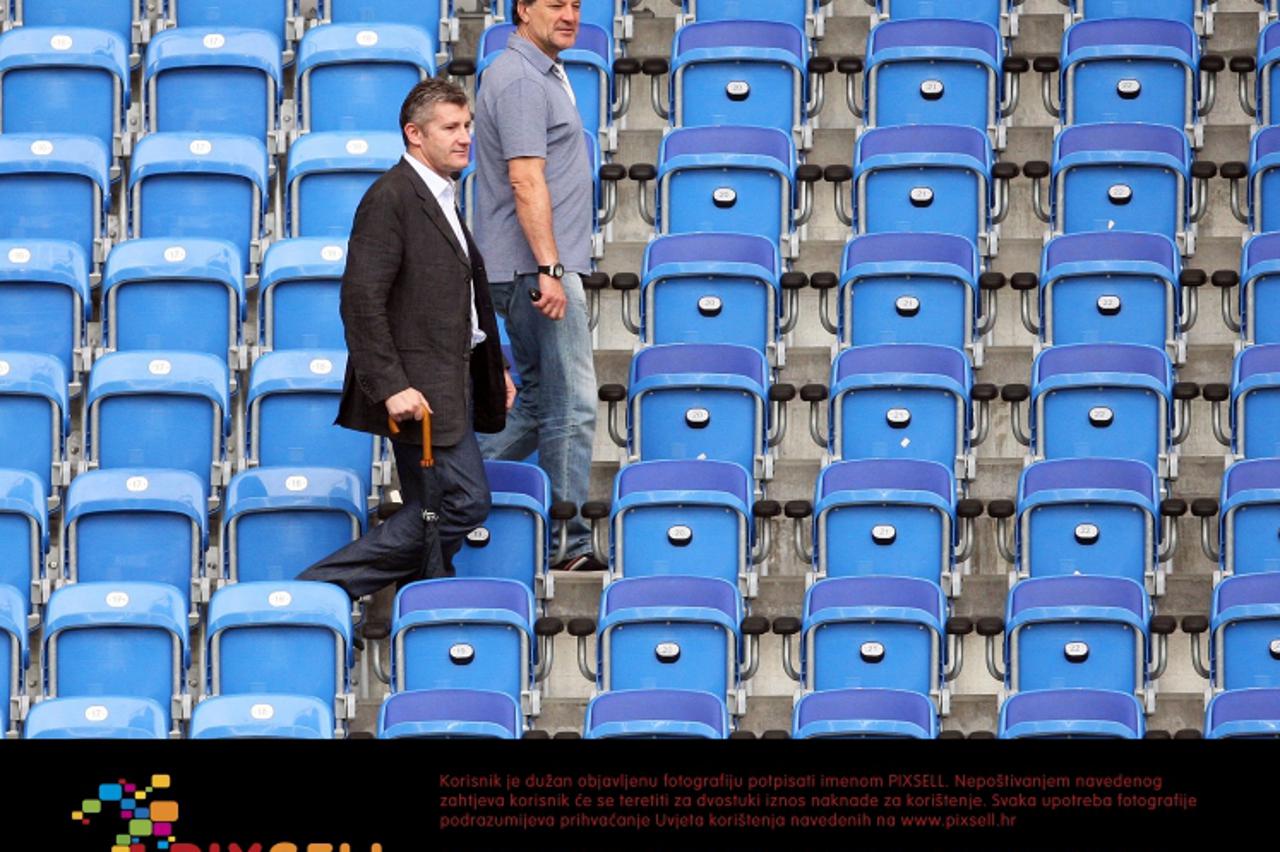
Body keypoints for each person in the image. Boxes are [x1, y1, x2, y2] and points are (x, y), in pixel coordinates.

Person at [298, 78, 516, 599]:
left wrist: (493, 365)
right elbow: (361, 300)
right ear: (414, 134)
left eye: (467, 126)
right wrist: (391, 384)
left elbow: (454, 295)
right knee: (463, 502)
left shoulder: (441, 194)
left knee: (434, 507)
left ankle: (425, 604)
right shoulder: (391, 197)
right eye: (451, 127)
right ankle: (320, 589)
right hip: (419, 390)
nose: (465, 137)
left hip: (450, 377)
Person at [473, 0, 604, 571]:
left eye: (576, 4)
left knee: (534, 404)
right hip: (536, 271)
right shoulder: (521, 78)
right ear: (522, 9)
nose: (570, 14)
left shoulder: (542, 71)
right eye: (555, 4)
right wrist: (550, 268)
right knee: (572, 406)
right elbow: (525, 179)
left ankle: (439, 483)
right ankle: (568, 543)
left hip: (531, 268)